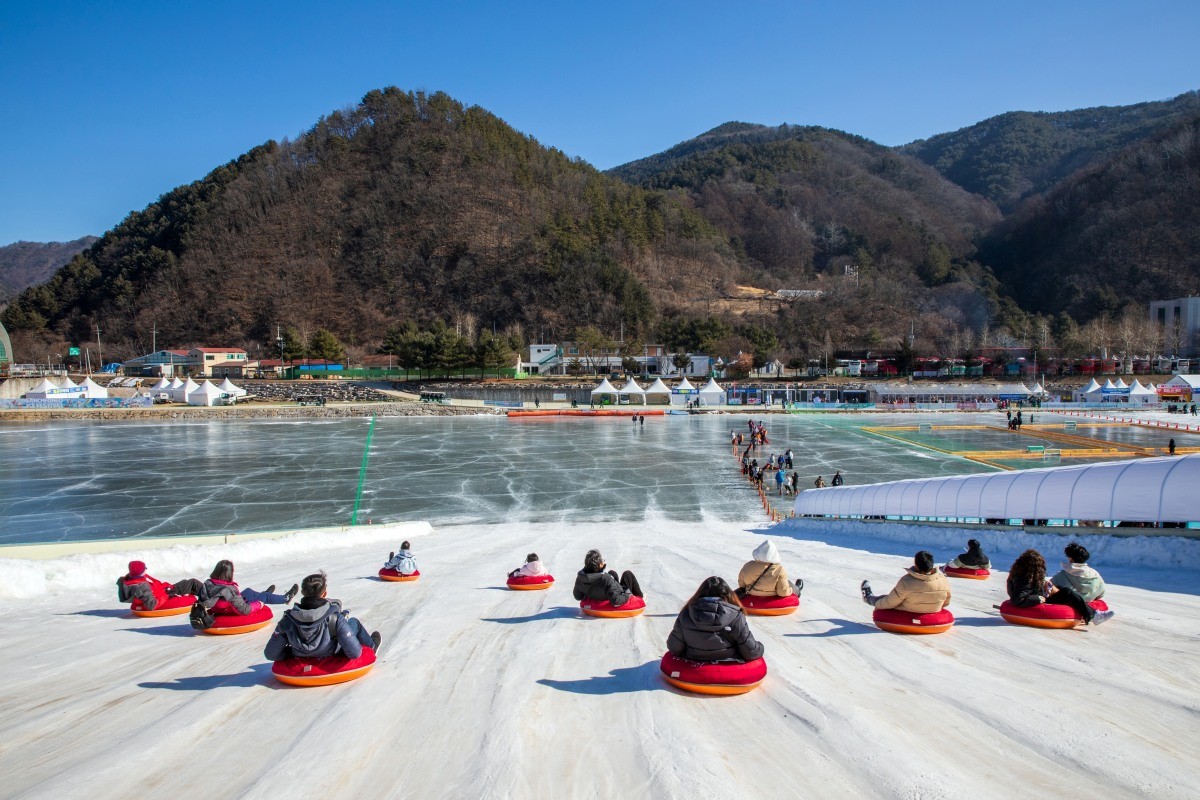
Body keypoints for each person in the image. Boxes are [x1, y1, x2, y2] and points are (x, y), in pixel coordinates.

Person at [264, 571, 379, 662]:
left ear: (303, 592)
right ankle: (372, 646)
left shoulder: (287, 620)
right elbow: (354, 653)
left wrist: (293, 652)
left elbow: (270, 653)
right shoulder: (334, 618)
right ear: (324, 594)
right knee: (354, 622)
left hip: (299, 653)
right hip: (330, 652)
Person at [666, 576, 764, 663]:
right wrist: (760, 647)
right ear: (728, 595)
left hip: (694, 660)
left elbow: (674, 648)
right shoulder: (736, 616)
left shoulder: (686, 613)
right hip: (728, 661)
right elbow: (750, 652)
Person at [1006, 547, 1112, 625]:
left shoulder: (1023, 574)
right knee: (1068, 593)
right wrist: (1038, 598)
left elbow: (1026, 590)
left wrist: (1044, 586)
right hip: (1036, 599)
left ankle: (1091, 613)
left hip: (1037, 594)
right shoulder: (1025, 578)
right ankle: (1093, 615)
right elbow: (1017, 598)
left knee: (1064, 591)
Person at [861, 551, 951, 614]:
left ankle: (868, 598)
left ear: (916, 565)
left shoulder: (906, 581)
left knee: (885, 598)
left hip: (909, 611)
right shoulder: (942, 579)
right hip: (933, 610)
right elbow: (946, 602)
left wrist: (877, 604)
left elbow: (889, 603)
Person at [201, 560, 296, 617]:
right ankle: (286, 598)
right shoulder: (229, 589)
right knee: (265, 597)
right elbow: (244, 610)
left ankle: (263, 595)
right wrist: (259, 604)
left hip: (220, 608)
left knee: (248, 591)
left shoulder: (208, 583)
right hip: (229, 611)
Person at [117, 561, 205, 610]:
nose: (146, 570)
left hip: (163, 590)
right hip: (164, 594)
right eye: (145, 568)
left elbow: (124, 598)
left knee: (188, 582)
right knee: (193, 584)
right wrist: (167, 595)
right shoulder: (141, 586)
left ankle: (208, 595)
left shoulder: (128, 579)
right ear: (140, 572)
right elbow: (151, 605)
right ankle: (212, 596)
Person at [572, 549, 642, 607]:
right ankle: (640, 599)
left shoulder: (580, 578)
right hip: (616, 595)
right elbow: (616, 600)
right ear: (599, 565)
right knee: (627, 574)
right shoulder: (606, 578)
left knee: (612, 573)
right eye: (602, 561)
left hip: (601, 593)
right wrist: (627, 595)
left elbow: (578, 596)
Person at [737, 540, 803, 598]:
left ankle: (796, 588)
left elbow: (742, 585)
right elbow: (783, 592)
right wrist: (790, 590)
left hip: (751, 594)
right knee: (787, 583)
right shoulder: (779, 569)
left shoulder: (748, 566)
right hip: (771, 598)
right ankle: (797, 590)